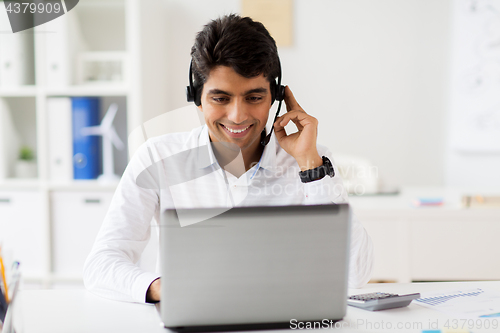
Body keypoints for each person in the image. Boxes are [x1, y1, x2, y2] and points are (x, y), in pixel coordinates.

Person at [83, 14, 373, 303]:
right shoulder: (158, 157)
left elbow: (356, 274)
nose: (237, 116)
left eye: (254, 98)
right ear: (196, 97)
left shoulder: (310, 160)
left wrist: (311, 167)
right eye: (220, 98)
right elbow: (101, 265)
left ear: (274, 96)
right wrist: (162, 288)